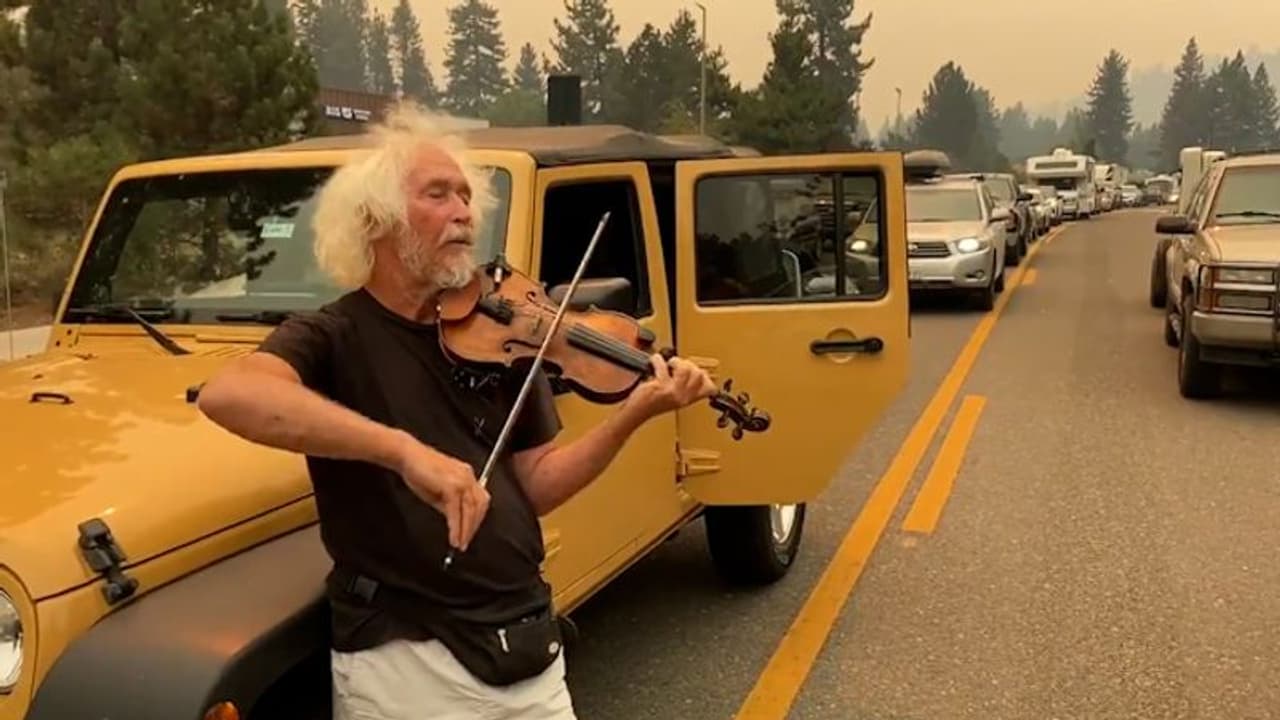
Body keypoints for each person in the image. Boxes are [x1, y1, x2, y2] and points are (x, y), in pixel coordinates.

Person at [195, 101, 716, 719]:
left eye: (466, 197)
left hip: (527, 647)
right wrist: (404, 451)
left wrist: (635, 413)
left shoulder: (503, 331)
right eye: (438, 194)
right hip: (409, 663)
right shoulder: (335, 335)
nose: (464, 213)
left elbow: (536, 485)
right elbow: (230, 395)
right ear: (378, 220)